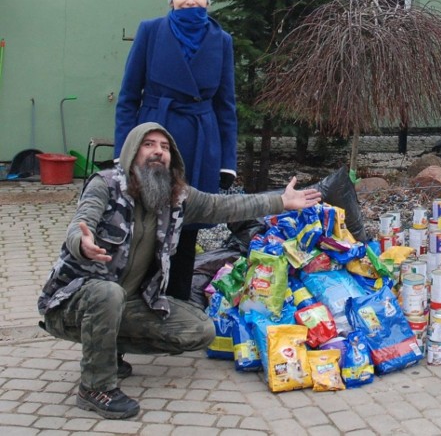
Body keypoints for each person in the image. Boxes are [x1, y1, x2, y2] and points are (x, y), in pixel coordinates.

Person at [38, 122, 322, 420]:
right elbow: (82, 220)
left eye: (164, 147)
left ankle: (106, 351)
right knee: (107, 293)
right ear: (132, 151)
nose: (158, 152)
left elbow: (224, 206)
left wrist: (280, 201)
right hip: (73, 302)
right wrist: (82, 242)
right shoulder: (105, 184)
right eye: (149, 144)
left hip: (127, 302)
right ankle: (95, 386)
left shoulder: (176, 196)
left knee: (200, 330)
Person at [115, 0, 237, 302]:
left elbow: (226, 105)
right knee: (146, 225)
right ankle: (137, 303)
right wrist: (124, 150)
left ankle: (178, 303)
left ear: (207, 0)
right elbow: (128, 97)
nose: (190, 0)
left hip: (200, 142)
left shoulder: (221, 40)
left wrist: (227, 161)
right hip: (156, 137)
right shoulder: (151, 31)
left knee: (187, 226)